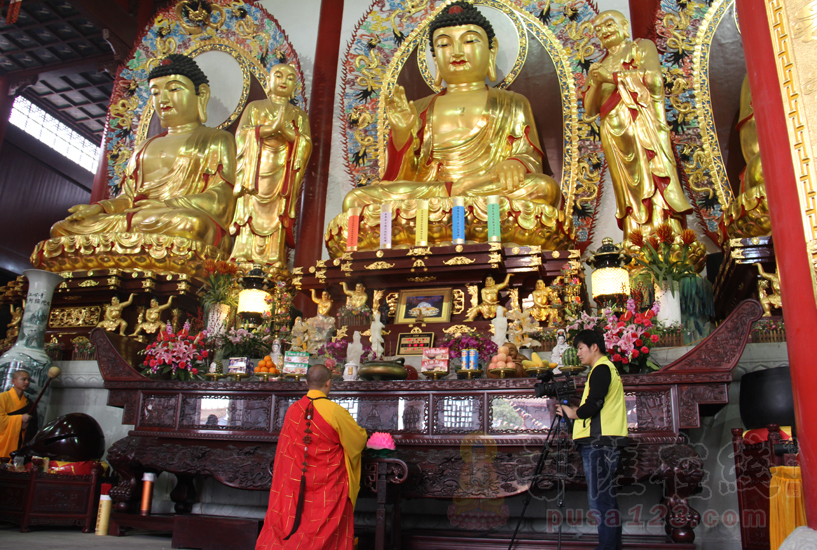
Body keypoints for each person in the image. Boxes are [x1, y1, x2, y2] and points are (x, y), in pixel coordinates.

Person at [341, 1, 561, 211]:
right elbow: (402, 178)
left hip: (485, 189)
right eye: (444, 44)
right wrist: (401, 134)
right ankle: (455, 199)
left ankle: (455, 202)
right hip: (433, 194)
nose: (456, 52)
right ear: (435, 59)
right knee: (357, 200)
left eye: (469, 41)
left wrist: (516, 164)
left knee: (543, 188)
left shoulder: (512, 102)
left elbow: (528, 156)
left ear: (491, 50)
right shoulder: (418, 108)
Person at [51, 54, 237, 255]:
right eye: (155, 93)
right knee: (62, 229)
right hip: (137, 220)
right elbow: (128, 198)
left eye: (174, 89)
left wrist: (166, 204)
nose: (163, 99)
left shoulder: (217, 139)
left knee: (191, 225)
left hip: (174, 220)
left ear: (201, 94)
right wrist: (101, 209)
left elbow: (224, 199)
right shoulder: (144, 146)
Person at [582, 11, 692, 241]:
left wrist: (611, 78)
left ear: (624, 26)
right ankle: (635, 237)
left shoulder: (640, 47)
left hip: (643, 126)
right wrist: (595, 82)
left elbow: (653, 80)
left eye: (609, 24)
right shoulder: (599, 65)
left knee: (652, 178)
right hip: (613, 134)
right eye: (598, 29)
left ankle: (665, 234)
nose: (603, 30)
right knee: (627, 191)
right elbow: (590, 110)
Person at [256, 365, 367, 550]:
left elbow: (285, 451)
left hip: (294, 484)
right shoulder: (335, 412)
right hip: (327, 487)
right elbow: (358, 440)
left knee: (293, 526)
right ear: (329, 383)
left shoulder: (292, 410)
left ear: (306, 383)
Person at [230, 63, 312, 268]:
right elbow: (241, 135)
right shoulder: (255, 107)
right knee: (250, 208)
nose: (284, 81)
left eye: (290, 78)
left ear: (295, 87)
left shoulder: (298, 115)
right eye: (279, 75)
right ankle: (242, 253)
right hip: (255, 169)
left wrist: (285, 132)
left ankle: (274, 257)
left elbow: (306, 143)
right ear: (268, 81)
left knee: (278, 212)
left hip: (283, 171)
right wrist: (267, 130)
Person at [557, 329, 628, 550]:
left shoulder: (601, 369)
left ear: (594, 347)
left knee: (600, 502)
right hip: (603, 442)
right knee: (606, 501)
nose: (577, 353)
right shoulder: (605, 369)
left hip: (599, 444)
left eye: (580, 348)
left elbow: (594, 404)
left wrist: (571, 412)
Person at [0, 370, 34, 458]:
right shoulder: (2, 398)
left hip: (20, 441)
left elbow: (33, 426)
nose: (26, 382)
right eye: (23, 379)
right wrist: (20, 418)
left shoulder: (28, 402)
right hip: (4, 440)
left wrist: (24, 426)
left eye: (28, 380)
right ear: (13, 381)